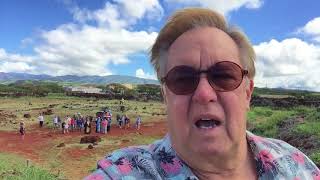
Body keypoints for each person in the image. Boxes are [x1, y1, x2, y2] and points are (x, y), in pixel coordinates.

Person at [85, 8, 320, 179]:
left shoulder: (297, 165)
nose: (204, 93)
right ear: (166, 96)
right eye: (183, 79)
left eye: (224, 75)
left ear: (248, 92)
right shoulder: (122, 173)